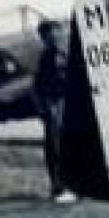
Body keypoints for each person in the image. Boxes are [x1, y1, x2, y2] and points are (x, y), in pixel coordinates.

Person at [32, 19, 76, 204]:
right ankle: (61, 188)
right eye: (48, 35)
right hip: (56, 106)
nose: (53, 37)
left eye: (56, 32)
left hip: (62, 106)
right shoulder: (50, 56)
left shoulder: (56, 54)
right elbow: (39, 85)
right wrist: (44, 107)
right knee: (56, 148)